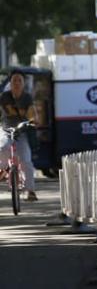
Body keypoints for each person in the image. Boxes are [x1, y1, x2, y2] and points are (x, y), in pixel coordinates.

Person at [0, 69, 38, 201]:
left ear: (23, 83)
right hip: (6, 130)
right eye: (14, 80)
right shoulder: (4, 96)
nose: (16, 83)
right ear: (10, 83)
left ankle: (30, 191)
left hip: (21, 132)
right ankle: (3, 170)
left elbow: (32, 113)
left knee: (26, 160)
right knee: (3, 148)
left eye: (19, 80)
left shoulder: (27, 97)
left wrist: (34, 120)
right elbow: (6, 111)